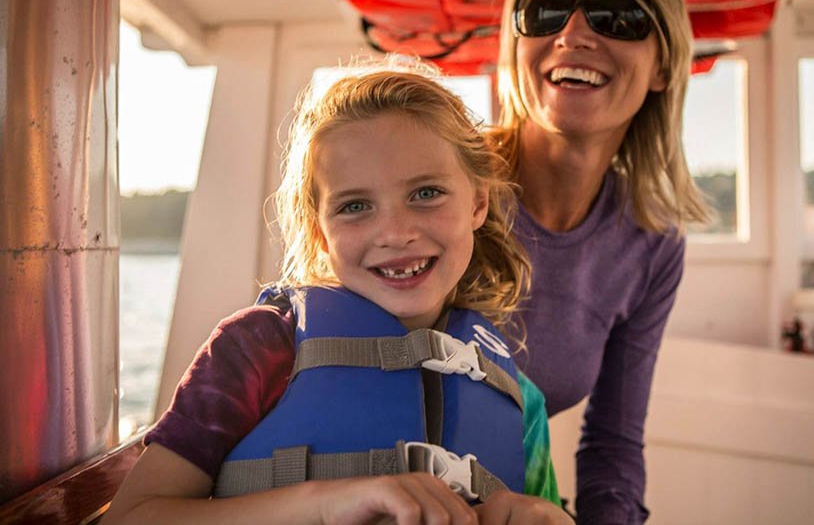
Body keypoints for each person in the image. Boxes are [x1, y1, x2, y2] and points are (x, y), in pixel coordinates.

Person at [105, 66, 572, 524]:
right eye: (354, 206)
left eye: (426, 192)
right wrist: (328, 504)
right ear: (320, 233)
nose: (395, 232)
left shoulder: (519, 400)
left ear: (477, 203)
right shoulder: (259, 348)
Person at [493, 0, 711, 523]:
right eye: (545, 10)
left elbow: (612, 445)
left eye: (617, 15)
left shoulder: (652, 246)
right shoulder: (442, 182)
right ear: (516, 44)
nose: (572, 34)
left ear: (663, 65)